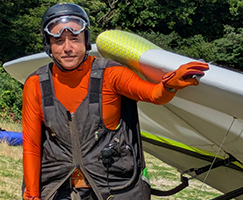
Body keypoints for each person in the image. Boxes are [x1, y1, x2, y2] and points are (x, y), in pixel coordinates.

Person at [21, 3, 208, 200]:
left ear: (86, 40)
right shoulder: (36, 84)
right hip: (60, 188)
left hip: (112, 187)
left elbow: (153, 94)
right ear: (48, 45)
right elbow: (32, 145)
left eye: (75, 39)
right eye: (58, 41)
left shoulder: (111, 74)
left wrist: (169, 85)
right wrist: (32, 195)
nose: (68, 48)